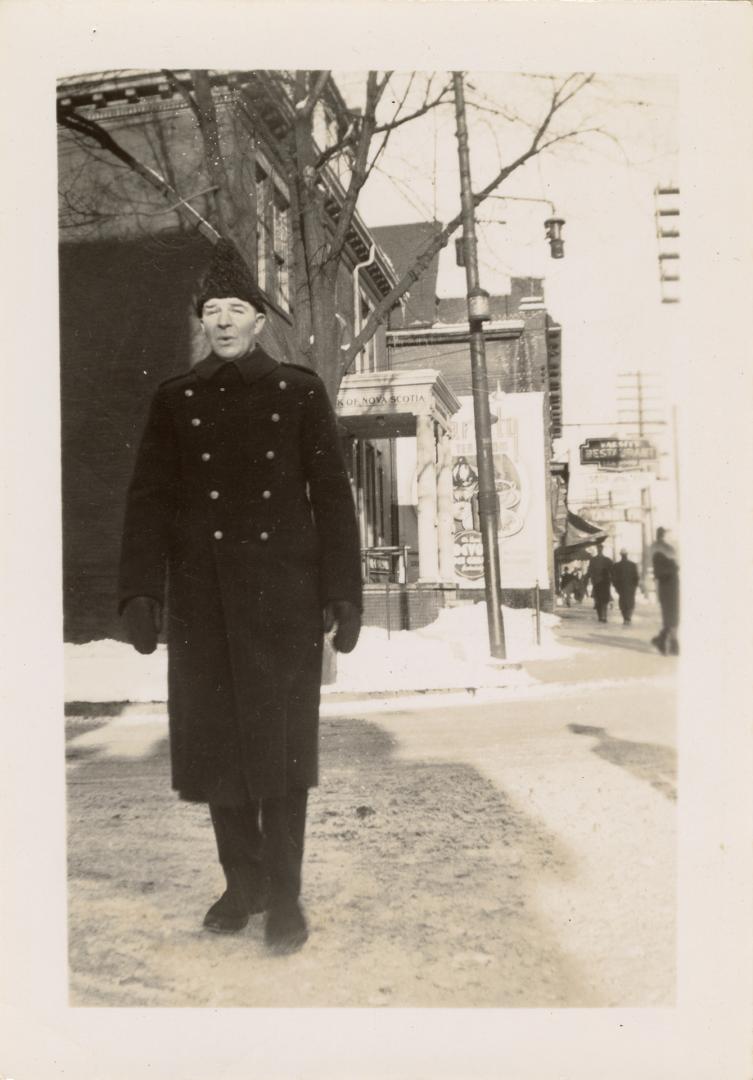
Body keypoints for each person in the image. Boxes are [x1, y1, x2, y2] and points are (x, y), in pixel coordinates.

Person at [118, 240, 363, 954]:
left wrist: (342, 594)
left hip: (283, 602)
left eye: (236, 310)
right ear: (202, 322)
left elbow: (332, 498)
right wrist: (138, 588)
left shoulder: (298, 391)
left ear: (260, 320)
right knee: (218, 749)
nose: (222, 322)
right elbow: (149, 498)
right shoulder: (176, 399)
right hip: (202, 603)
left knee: (283, 753)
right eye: (211, 311)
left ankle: (284, 894)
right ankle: (241, 882)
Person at [650, 527, 680, 655]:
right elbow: (672, 566)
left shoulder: (657, 547)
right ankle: (672, 643)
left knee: (670, 615)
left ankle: (664, 641)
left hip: (668, 585)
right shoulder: (665, 548)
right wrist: (674, 567)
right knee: (672, 615)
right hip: (670, 584)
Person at [585, 542, 614, 623]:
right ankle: (600, 616)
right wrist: (586, 578)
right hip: (597, 583)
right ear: (597, 549)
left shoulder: (607, 560)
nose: (599, 549)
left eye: (600, 548)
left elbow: (613, 571)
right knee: (598, 600)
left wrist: (612, 580)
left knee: (604, 600)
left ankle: (604, 616)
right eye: (598, 548)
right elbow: (589, 571)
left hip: (605, 583)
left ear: (602, 549)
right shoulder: (593, 560)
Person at [611, 548, 640, 625]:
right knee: (629, 602)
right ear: (627, 555)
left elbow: (613, 578)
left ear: (621, 555)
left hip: (622, 588)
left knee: (623, 602)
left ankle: (626, 618)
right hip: (629, 587)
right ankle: (627, 618)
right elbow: (636, 577)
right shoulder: (632, 565)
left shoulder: (616, 565)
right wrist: (635, 586)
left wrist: (616, 587)